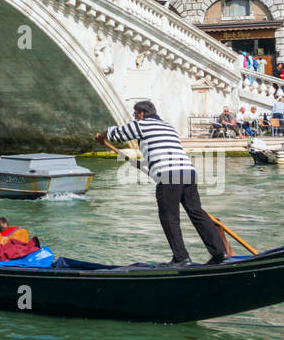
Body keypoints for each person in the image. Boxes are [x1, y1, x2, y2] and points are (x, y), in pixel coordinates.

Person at [95, 100, 227, 266]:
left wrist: (101, 135)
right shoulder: (168, 127)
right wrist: (145, 165)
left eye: (135, 115)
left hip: (169, 175)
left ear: (141, 114)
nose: (134, 118)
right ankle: (220, 252)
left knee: (169, 217)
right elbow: (163, 151)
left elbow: (117, 133)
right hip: (188, 172)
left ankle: (181, 258)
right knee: (197, 213)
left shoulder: (142, 124)